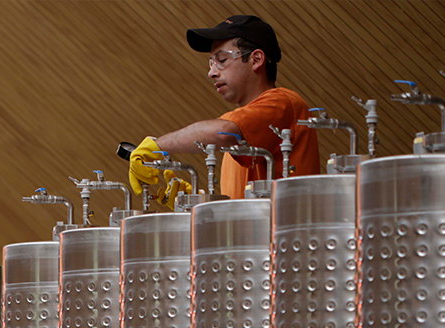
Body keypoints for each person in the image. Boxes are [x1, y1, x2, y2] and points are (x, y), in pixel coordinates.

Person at [128, 14, 320, 201]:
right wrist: (193, 202)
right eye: (211, 62)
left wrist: (158, 146)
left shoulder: (283, 103)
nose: (211, 72)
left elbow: (223, 132)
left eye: (222, 60)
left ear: (256, 59)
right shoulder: (236, 135)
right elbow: (237, 210)